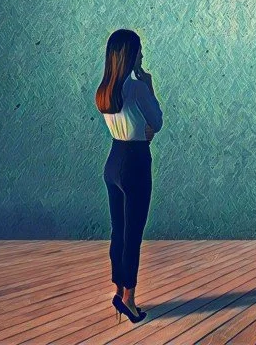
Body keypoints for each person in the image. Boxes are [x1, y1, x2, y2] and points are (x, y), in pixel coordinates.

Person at [95, 28, 163, 323]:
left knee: (117, 230)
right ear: (131, 55)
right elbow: (157, 122)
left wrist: (141, 132)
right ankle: (130, 301)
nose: (143, 55)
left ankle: (119, 287)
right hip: (135, 162)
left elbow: (132, 124)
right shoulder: (137, 88)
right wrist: (150, 84)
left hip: (113, 160)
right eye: (139, 51)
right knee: (133, 234)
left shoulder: (105, 91)